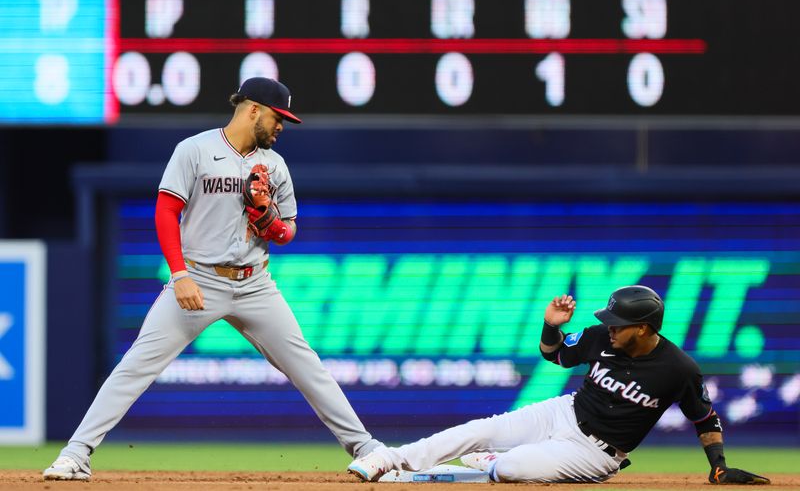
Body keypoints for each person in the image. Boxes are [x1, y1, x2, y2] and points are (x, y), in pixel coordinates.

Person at [43, 77, 383, 481]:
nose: (281, 127)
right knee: (136, 365)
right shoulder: (195, 150)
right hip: (200, 278)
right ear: (253, 109)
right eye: (278, 117)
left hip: (256, 284)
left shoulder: (275, 165)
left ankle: (367, 449)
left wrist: (272, 224)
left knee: (307, 366)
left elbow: (290, 229)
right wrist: (179, 273)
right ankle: (76, 453)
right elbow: (166, 211)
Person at [347, 285, 770, 485]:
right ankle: (388, 459)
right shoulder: (600, 338)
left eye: (619, 325)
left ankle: (451, 472)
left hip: (596, 453)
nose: (609, 329)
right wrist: (551, 326)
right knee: (476, 430)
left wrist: (717, 465)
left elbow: (704, 417)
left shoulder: (678, 369)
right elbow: (554, 355)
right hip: (564, 411)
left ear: (643, 329)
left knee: (512, 469)